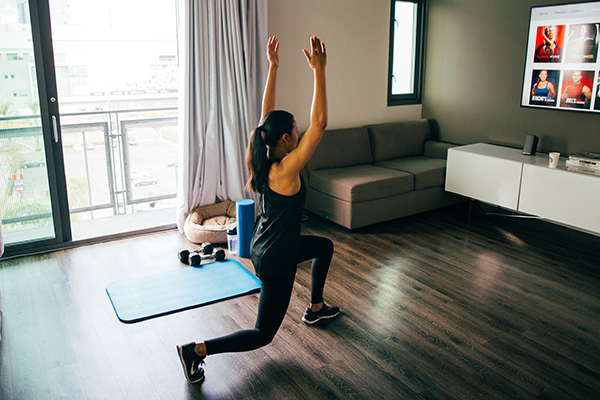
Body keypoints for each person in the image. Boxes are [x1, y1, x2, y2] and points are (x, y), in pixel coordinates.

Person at [176, 35, 339, 384]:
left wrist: (274, 68)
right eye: (295, 132)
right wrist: (319, 72)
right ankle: (196, 350)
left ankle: (315, 308)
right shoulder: (285, 169)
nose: (299, 135)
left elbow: (264, 120)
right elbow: (321, 123)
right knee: (263, 333)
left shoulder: (263, 160)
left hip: (266, 245)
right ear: (285, 140)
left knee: (324, 247)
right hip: (277, 258)